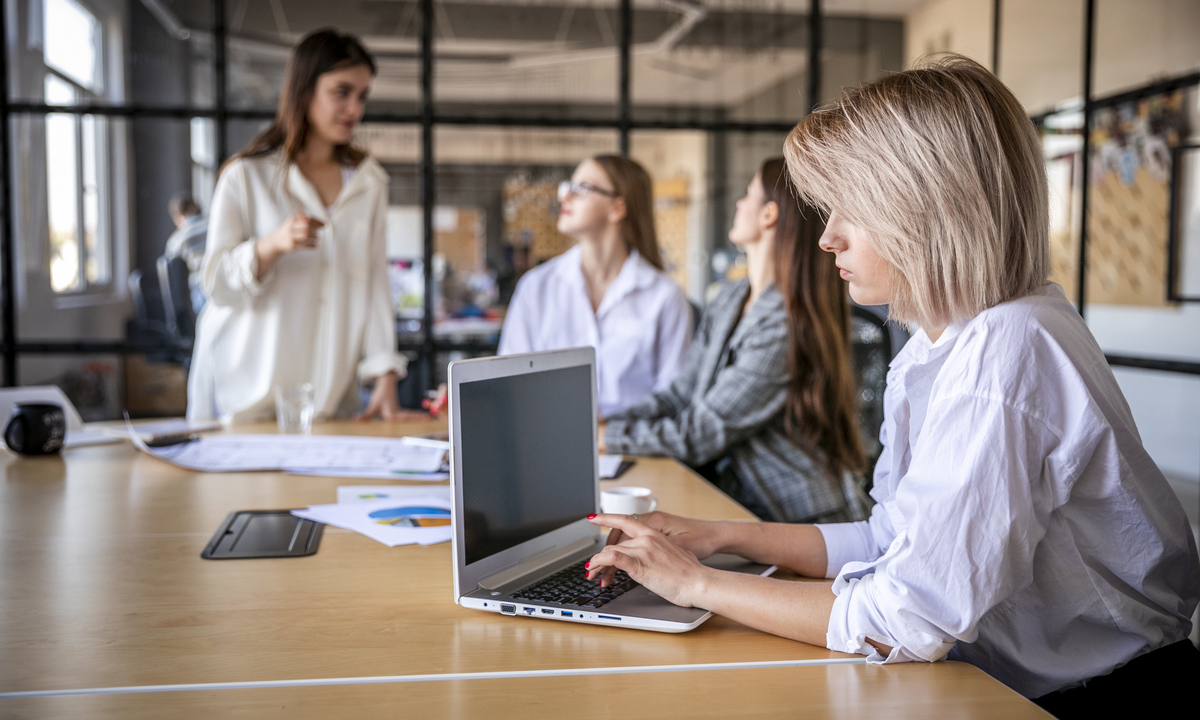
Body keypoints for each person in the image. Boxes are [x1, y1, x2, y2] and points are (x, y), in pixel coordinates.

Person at [581, 56, 1200, 715]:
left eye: (852, 208)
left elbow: (905, 619)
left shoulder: (1007, 347)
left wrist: (695, 586)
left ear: (923, 207)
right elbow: (890, 544)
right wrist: (719, 537)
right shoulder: (943, 342)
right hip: (1020, 684)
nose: (827, 238)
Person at [602, 158, 867, 524]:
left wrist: (609, 436)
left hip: (795, 514)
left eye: (748, 195)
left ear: (768, 215)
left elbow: (701, 434)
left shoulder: (786, 323)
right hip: (737, 499)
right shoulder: (731, 297)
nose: (739, 204)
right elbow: (680, 394)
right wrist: (608, 422)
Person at [188, 29, 413, 424]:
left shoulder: (369, 183)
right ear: (305, 90)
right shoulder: (245, 176)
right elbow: (216, 285)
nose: (354, 110)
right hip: (243, 392)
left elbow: (376, 281)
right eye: (341, 92)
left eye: (362, 96)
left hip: (324, 395)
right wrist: (270, 246)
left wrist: (385, 375)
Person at [498, 156, 692, 418]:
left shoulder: (665, 297)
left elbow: (674, 398)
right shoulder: (536, 287)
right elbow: (508, 382)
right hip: (549, 443)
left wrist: (609, 429)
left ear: (617, 208)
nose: (564, 196)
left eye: (582, 188)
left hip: (634, 448)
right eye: (568, 187)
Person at [163, 193, 209, 315]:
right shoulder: (213, 223)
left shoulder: (178, 238)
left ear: (178, 216)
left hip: (200, 287)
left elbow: (170, 265)